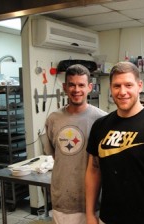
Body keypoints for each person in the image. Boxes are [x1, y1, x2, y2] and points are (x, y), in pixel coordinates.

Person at [85, 61, 144, 224]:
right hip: (108, 219)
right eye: (117, 86)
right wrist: (90, 214)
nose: (122, 92)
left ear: (140, 86)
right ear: (111, 88)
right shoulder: (100, 126)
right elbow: (93, 171)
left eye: (128, 85)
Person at [44, 64, 107, 224]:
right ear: (65, 87)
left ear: (90, 87)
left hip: (94, 203)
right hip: (63, 202)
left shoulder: (102, 120)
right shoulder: (53, 119)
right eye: (72, 84)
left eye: (81, 85)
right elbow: (55, 154)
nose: (76, 89)